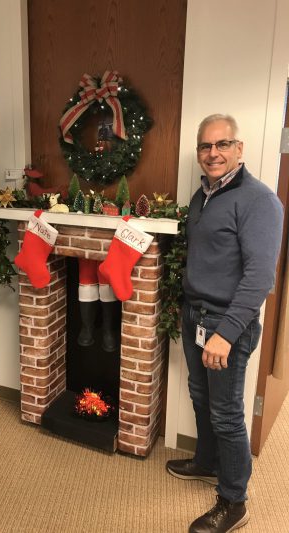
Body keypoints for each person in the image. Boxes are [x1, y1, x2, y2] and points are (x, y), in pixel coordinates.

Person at [166, 114, 283, 532]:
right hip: (195, 314)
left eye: (222, 144)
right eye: (205, 146)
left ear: (239, 149)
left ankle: (234, 502)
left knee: (227, 414)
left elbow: (260, 278)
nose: (213, 153)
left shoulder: (259, 201)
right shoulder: (203, 197)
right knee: (201, 396)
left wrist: (226, 333)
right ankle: (207, 461)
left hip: (226, 324)